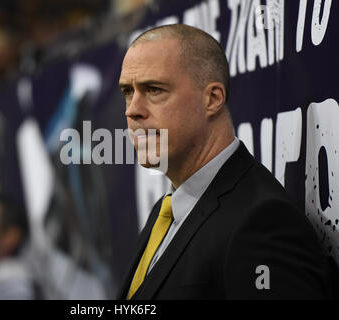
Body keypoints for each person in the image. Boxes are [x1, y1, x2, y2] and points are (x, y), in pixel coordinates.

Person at [117, 24, 332, 299]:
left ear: (213, 99)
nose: (133, 110)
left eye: (154, 89)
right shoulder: (167, 211)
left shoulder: (263, 223)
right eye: (127, 92)